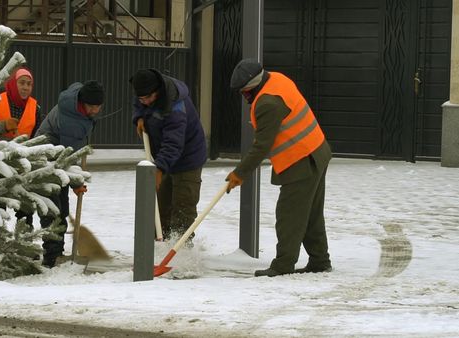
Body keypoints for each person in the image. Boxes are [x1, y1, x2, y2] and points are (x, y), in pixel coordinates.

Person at [225, 59, 332, 277]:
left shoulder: (267, 104)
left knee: (289, 215)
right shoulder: (277, 79)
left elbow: (262, 146)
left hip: (301, 159)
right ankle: (320, 260)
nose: (244, 98)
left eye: (245, 93)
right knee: (310, 213)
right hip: (317, 149)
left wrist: (240, 173)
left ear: (253, 87)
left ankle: (283, 265)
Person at [130, 69, 207, 242]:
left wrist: (160, 168)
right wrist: (139, 117)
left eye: (148, 98)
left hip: (188, 158)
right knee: (160, 206)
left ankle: (180, 249)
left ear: (158, 91)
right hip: (163, 156)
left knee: (183, 207)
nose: (145, 102)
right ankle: (157, 245)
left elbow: (174, 144)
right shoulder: (145, 92)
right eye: (141, 98)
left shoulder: (175, 108)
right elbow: (138, 104)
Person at [34, 80, 104, 268]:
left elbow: (77, 84)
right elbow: (67, 155)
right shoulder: (71, 120)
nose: (95, 111)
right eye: (92, 107)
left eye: (98, 107)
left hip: (58, 163)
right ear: (82, 102)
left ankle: (57, 254)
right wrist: (76, 183)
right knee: (53, 211)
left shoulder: (75, 101)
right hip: (46, 163)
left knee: (61, 209)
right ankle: (52, 257)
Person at [0, 67, 44, 243]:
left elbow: (37, 137)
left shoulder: (35, 107)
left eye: (29, 84)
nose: (26, 87)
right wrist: (4, 126)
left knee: (25, 204)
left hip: (21, 163)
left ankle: (25, 241)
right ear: (13, 83)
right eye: (22, 83)